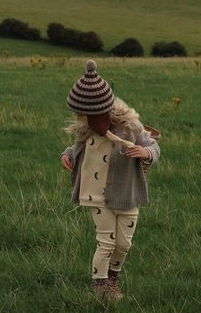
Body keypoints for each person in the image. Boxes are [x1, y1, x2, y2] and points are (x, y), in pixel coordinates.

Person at [61, 60, 160, 299]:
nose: (80, 118)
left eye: (84, 114)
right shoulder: (85, 129)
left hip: (127, 195)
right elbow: (76, 149)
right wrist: (66, 155)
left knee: (123, 245)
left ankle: (113, 279)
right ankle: (100, 288)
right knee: (106, 242)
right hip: (96, 195)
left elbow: (153, 147)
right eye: (79, 114)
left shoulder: (132, 128)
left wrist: (146, 154)